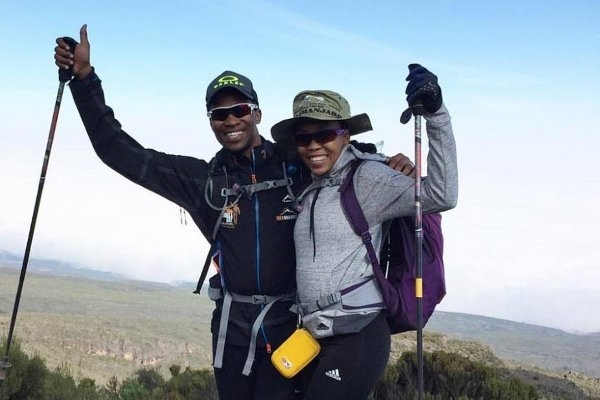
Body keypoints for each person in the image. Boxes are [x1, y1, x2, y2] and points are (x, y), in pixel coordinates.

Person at [53, 25, 416, 400]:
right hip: (232, 333)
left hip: (291, 329)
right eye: (219, 113)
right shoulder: (204, 181)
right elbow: (120, 152)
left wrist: (387, 162)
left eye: (240, 110)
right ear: (211, 120)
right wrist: (84, 79)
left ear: (256, 113)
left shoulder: (296, 165)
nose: (230, 120)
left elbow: (340, 154)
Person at [270, 66, 458, 399]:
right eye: (303, 138)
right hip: (314, 335)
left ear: (345, 136)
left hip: (357, 334)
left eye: (325, 135)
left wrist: (436, 114)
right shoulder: (310, 186)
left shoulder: (368, 177)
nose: (313, 145)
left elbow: (442, 195)